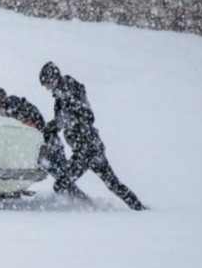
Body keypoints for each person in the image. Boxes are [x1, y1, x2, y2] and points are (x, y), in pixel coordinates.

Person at [39, 62, 147, 211]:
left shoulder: (67, 90)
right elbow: (66, 119)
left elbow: (81, 116)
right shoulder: (65, 92)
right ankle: (139, 208)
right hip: (93, 147)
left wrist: (52, 126)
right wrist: (51, 129)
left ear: (52, 78)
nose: (47, 87)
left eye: (47, 83)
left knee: (62, 183)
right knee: (113, 184)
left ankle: (82, 209)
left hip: (85, 149)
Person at [0, 87, 91, 204]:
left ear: (0, 102)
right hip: (46, 147)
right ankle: (78, 199)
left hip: (49, 147)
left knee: (63, 178)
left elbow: (35, 128)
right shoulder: (16, 108)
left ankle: (81, 201)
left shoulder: (15, 111)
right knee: (62, 178)